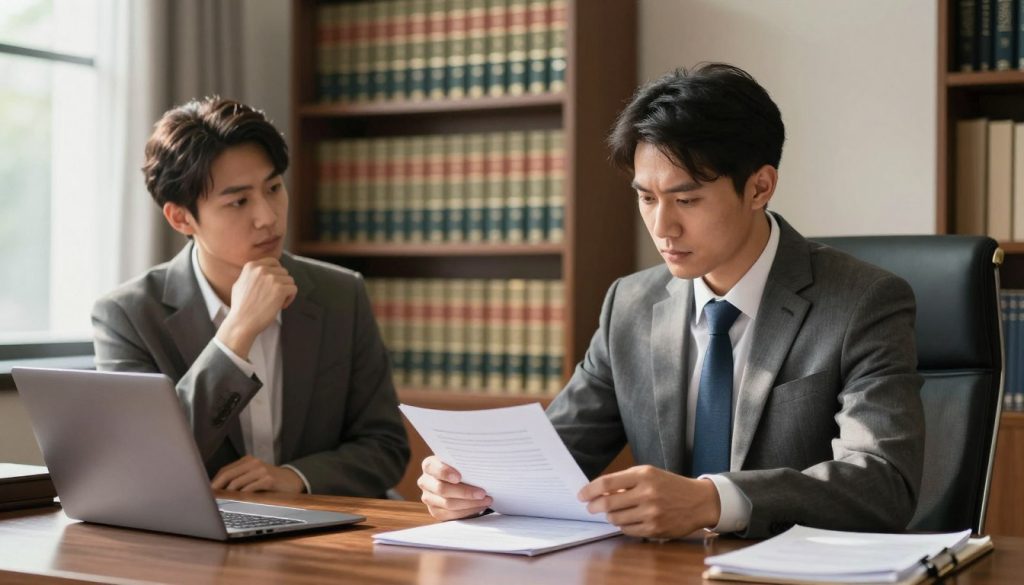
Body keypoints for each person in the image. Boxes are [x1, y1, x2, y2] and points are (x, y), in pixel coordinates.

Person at [416, 63, 925, 538]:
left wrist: (713, 501)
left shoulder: (864, 301)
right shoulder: (630, 304)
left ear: (760, 187)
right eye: (646, 198)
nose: (663, 227)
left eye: (686, 200)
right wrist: (474, 488)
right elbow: (554, 460)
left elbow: (882, 482)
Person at [92, 97, 409, 497]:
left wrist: (295, 477)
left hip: (328, 526)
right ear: (181, 218)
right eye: (239, 201)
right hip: (202, 535)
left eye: (274, 187)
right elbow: (146, 462)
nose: (269, 217)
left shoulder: (341, 293)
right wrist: (236, 333)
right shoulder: (127, 315)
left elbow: (385, 446)